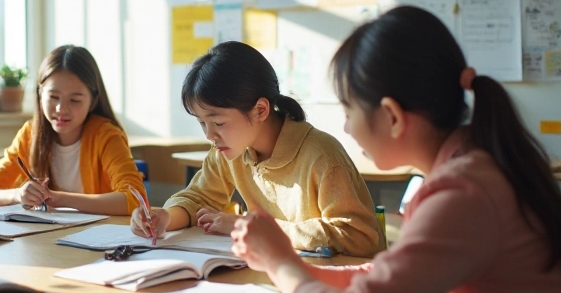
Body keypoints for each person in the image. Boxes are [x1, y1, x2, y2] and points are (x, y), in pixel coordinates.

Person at [231, 7, 561, 293]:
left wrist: (282, 264)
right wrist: (292, 266)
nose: (347, 128)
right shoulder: (483, 165)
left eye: (349, 111)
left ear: (392, 116)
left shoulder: (464, 194)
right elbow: (393, 277)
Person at [131, 41, 384, 258]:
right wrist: (165, 217)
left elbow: (357, 237)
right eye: (201, 123)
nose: (209, 135)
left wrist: (249, 227)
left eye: (218, 122)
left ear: (261, 110)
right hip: (271, 271)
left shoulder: (321, 156)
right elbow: (197, 198)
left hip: (327, 282)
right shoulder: (229, 151)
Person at [0, 45, 146, 215]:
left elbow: (135, 199)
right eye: (54, 97)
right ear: (40, 95)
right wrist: (17, 194)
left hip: (100, 239)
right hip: (47, 240)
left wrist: (60, 199)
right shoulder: (30, 134)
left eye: (75, 100)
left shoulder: (106, 135)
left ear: (92, 102)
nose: (61, 109)